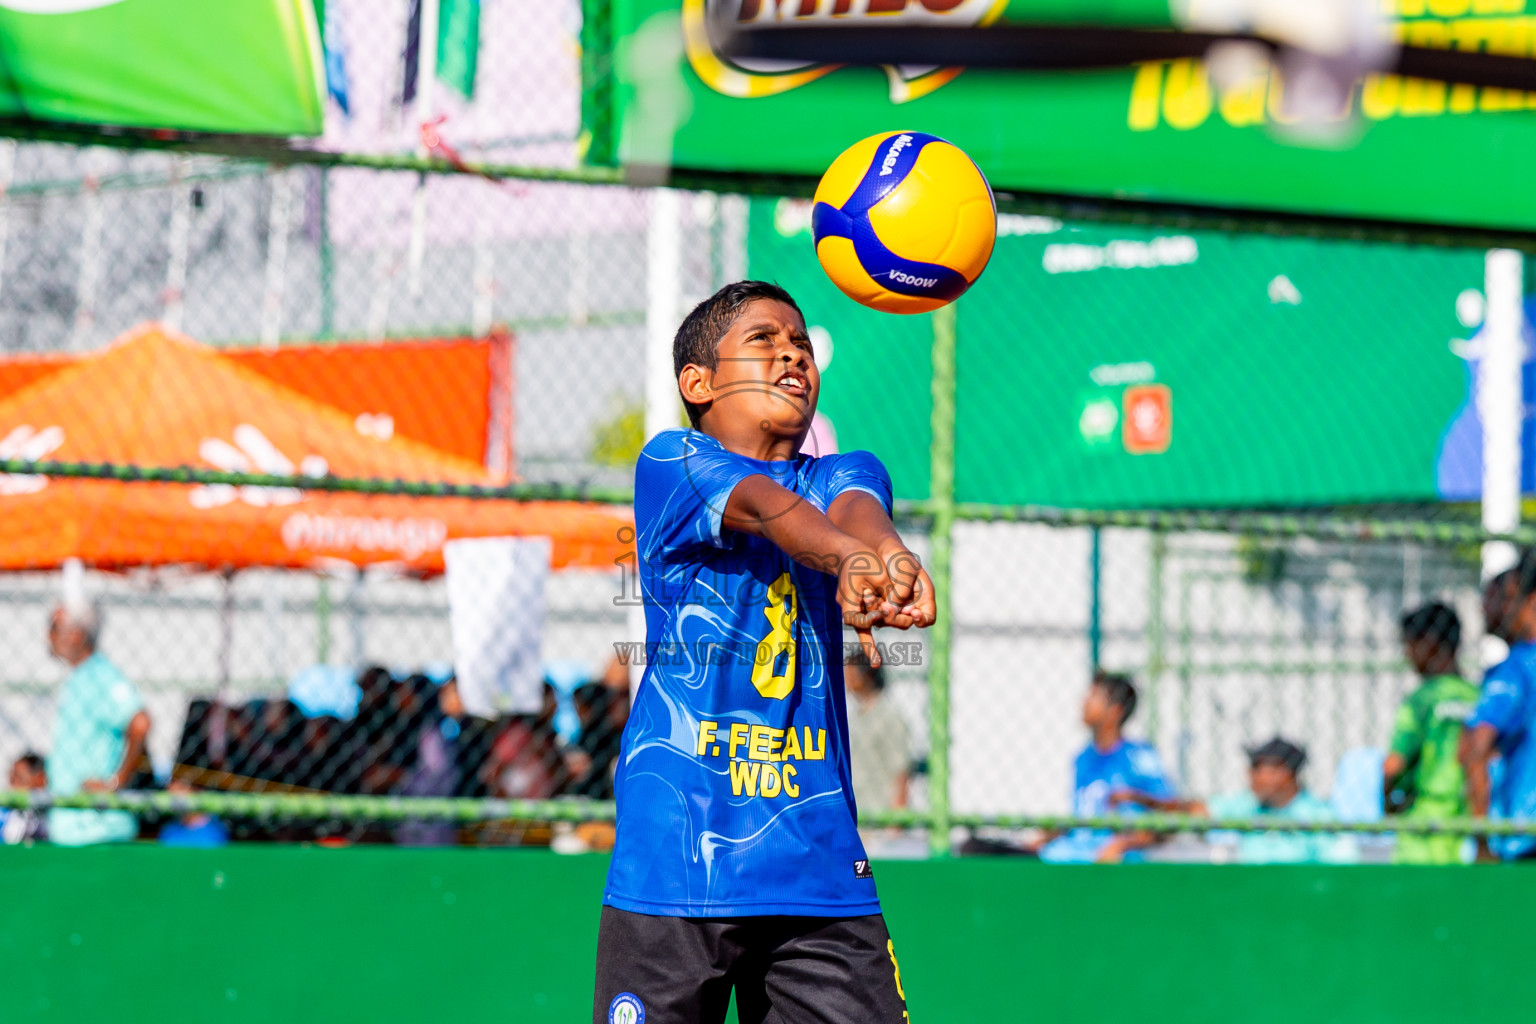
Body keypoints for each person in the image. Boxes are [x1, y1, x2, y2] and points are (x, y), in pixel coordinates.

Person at [595, 281, 934, 1024]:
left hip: (818, 871)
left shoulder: (841, 471)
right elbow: (762, 506)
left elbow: (858, 509)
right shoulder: (674, 463)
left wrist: (887, 558)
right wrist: (846, 557)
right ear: (699, 383)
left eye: (802, 344)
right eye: (764, 340)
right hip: (678, 861)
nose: (792, 353)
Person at [1129, 737, 1353, 864]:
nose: (1250, 776)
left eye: (1258, 768)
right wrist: (1147, 801)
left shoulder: (1320, 817)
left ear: (1284, 773)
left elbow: (1341, 869)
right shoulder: (1246, 805)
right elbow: (1196, 811)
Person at [1035, 671, 1171, 863]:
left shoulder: (1140, 758)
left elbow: (1168, 818)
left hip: (1120, 861)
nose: (1084, 703)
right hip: (1073, 856)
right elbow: (1084, 818)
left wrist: (1122, 844)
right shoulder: (1082, 759)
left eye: (1093, 697)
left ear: (1115, 711)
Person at [46, 600, 151, 846]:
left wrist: (117, 780)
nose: (47, 636)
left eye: (53, 627)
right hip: (76, 828)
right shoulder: (80, 677)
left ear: (76, 634)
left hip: (97, 831)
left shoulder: (100, 675)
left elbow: (140, 722)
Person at [1383, 602, 1479, 864]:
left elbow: (1393, 766)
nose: (1407, 654)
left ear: (1429, 643)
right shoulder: (1478, 697)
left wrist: (1389, 802)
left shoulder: (1421, 701)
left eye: (1410, 644)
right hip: (1469, 824)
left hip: (1422, 826)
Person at [1461, 562, 1536, 861]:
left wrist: (1481, 845)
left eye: (1504, 597)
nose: (1486, 609)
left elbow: (1476, 749)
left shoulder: (1515, 669)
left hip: (1524, 840)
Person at [844, 646, 911, 815]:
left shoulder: (888, 718)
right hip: (859, 813)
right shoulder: (858, 716)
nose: (846, 679)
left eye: (851, 674)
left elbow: (901, 773)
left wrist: (895, 822)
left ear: (867, 676)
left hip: (880, 817)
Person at [158, 778, 230, 848]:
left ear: (198, 790)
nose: (175, 795)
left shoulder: (218, 829)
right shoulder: (168, 831)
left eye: (182, 788)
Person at [2, 752, 48, 844]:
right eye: (11, 779)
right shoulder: (5, 812)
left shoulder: (49, 813)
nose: (12, 785)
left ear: (39, 779)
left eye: (20, 779)